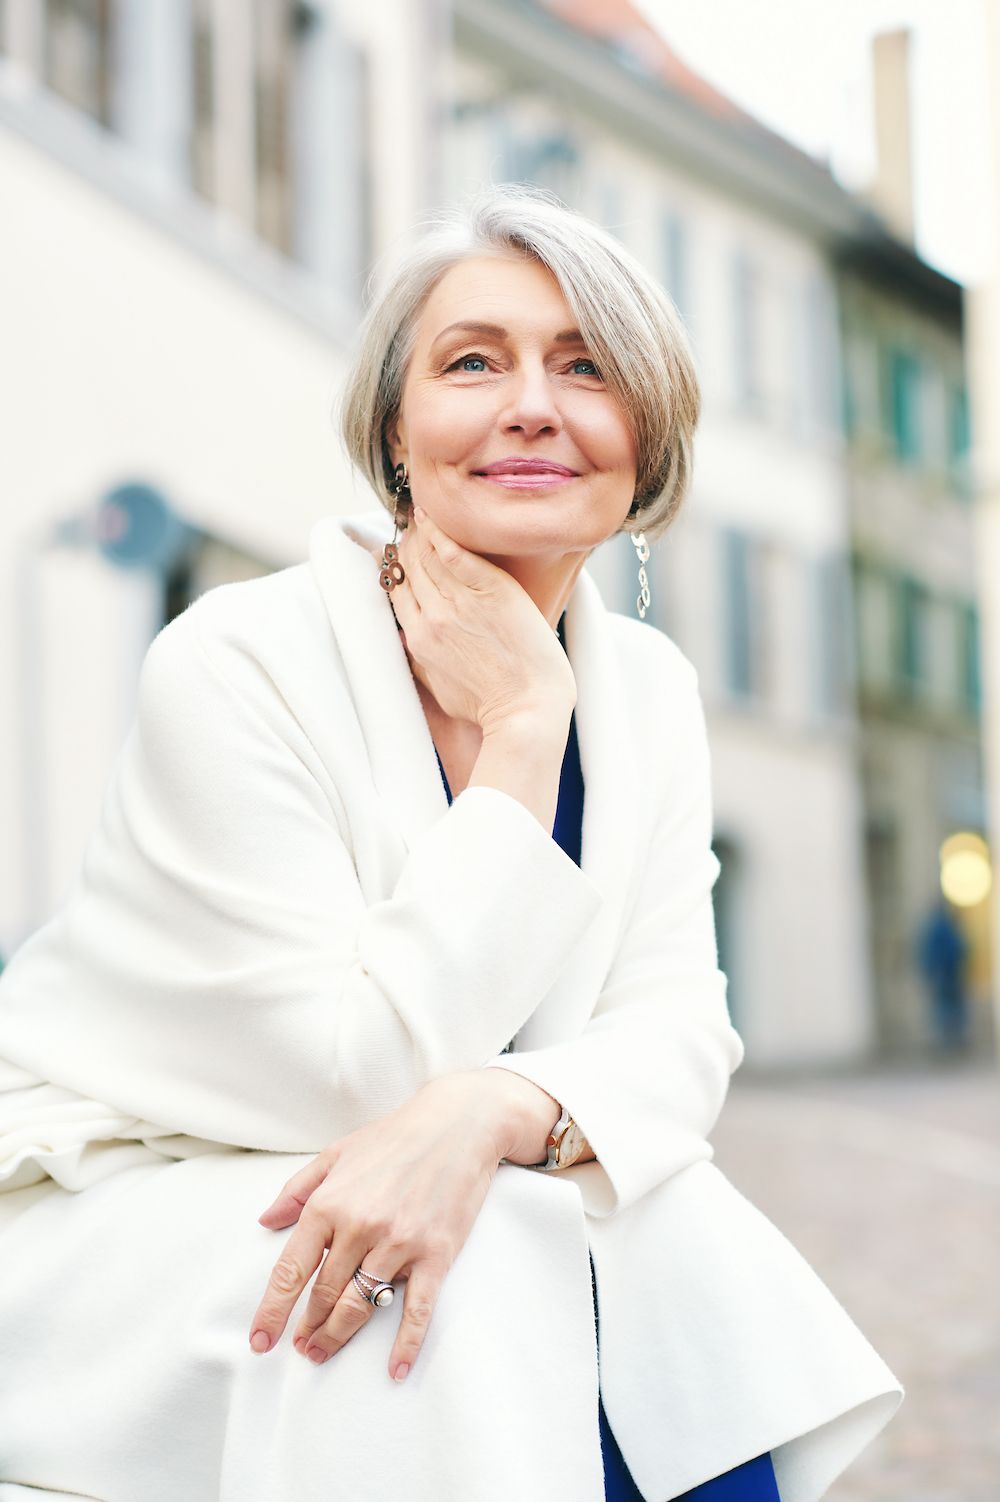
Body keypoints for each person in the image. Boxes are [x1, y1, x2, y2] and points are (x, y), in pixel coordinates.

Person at [0, 184, 902, 1501]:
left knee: (673, 1239)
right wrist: (526, 731)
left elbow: (682, 1032)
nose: (533, 403)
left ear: (644, 444)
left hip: (457, 1196)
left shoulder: (649, 690)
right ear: (397, 434)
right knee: (487, 1269)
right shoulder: (237, 660)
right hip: (154, 1198)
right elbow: (344, 1076)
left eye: (586, 367)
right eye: (473, 361)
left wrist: (494, 1110)